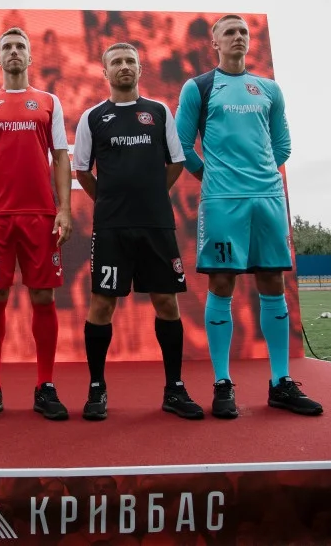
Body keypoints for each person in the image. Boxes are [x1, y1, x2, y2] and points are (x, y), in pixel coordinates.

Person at [174, 14, 323, 419]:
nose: (238, 37)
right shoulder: (199, 87)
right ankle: (223, 383)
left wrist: (259, 175)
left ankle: (281, 382)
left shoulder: (269, 89)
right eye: (230, 32)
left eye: (243, 32)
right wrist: (215, 177)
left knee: (272, 281)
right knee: (222, 283)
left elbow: (283, 145)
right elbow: (182, 146)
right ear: (215, 43)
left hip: (268, 199)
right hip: (222, 202)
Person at [72, 43, 204, 421]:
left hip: (156, 224)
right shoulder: (92, 117)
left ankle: (174, 388)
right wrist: (110, 201)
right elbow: (82, 171)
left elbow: (176, 162)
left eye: (130, 61)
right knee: (102, 305)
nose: (124, 66)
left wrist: (151, 195)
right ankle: (97, 388)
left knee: (166, 303)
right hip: (111, 227)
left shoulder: (159, 111)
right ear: (105, 72)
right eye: (116, 62)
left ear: (140, 69)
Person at [0, 27, 73, 421]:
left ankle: (46, 385)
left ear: (30, 57)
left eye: (20, 47)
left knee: (43, 297)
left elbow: (60, 157)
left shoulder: (48, 102)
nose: (13, 52)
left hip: (40, 215)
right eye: (7, 47)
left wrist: (64, 209)